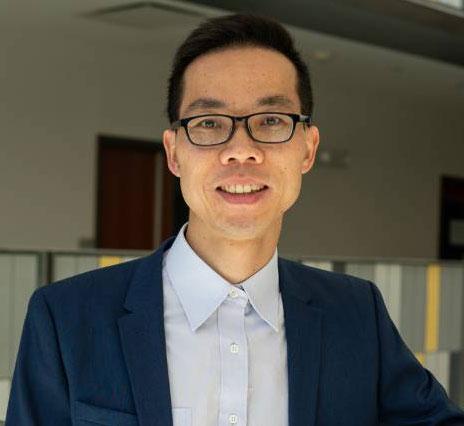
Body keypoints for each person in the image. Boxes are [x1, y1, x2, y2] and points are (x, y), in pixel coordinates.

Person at [6, 13, 464, 426]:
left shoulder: (356, 314)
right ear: (173, 153)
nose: (241, 149)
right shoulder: (66, 318)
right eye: (208, 123)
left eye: (270, 120)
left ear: (307, 148)